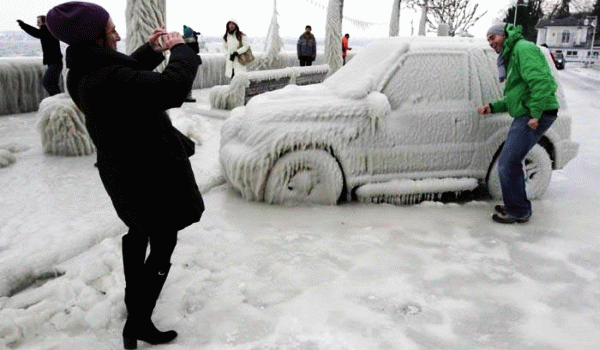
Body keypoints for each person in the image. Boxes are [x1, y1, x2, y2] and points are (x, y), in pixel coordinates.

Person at [46, 2, 204, 348]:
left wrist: (150, 50)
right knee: (164, 241)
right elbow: (171, 88)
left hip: (125, 174)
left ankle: (136, 305)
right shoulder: (107, 78)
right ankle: (138, 321)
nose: (117, 34)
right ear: (95, 38)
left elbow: (124, 76)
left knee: (138, 230)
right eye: (111, 30)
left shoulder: (82, 71)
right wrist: (181, 49)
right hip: (149, 175)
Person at [477, 23, 559, 224]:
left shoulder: (523, 49)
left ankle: (519, 210)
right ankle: (516, 205)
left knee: (508, 162)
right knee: (511, 161)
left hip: (535, 113)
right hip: (529, 111)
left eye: (492, 37)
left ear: (504, 35)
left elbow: (541, 82)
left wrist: (535, 115)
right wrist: (493, 107)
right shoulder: (513, 53)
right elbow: (518, 96)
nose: (490, 43)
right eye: (488, 39)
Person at [17, 15, 63, 96]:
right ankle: (57, 100)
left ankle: (57, 99)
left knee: (47, 82)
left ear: (44, 22)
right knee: (53, 83)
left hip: (55, 62)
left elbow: (35, 32)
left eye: (39, 21)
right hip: (53, 62)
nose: (37, 23)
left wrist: (23, 25)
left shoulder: (47, 31)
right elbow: (36, 32)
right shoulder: (48, 31)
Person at [182, 25, 202, 102]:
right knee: (189, 80)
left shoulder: (182, 40)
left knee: (186, 80)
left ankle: (185, 96)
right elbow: (196, 50)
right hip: (190, 62)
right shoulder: (191, 41)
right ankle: (187, 96)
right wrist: (195, 39)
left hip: (185, 62)